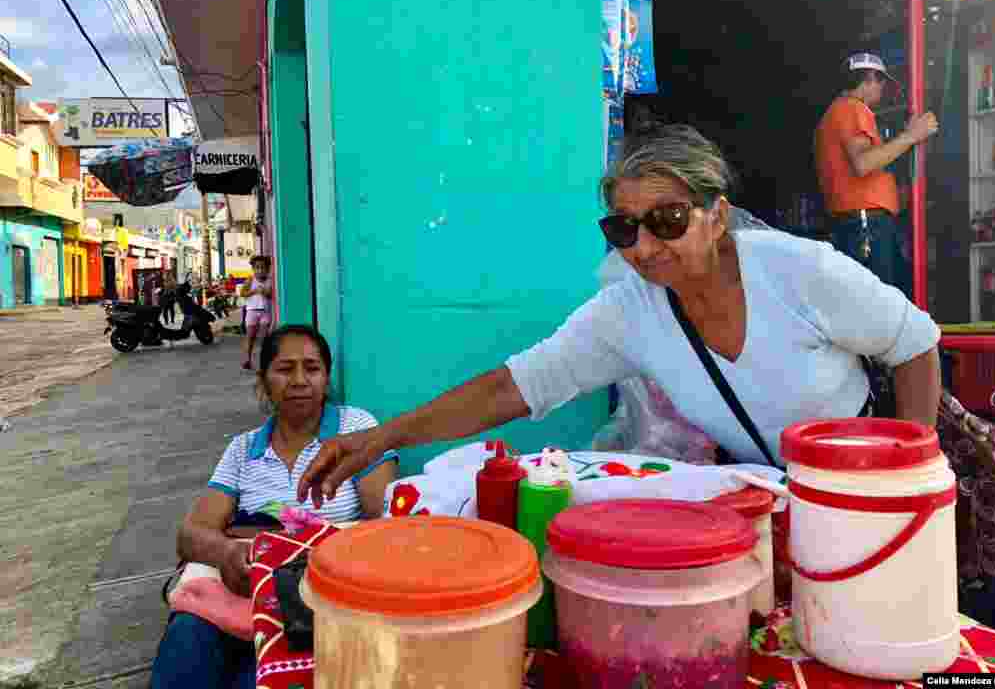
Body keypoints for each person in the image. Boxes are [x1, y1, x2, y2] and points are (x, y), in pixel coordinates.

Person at [297, 124, 942, 507]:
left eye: (666, 219)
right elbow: (516, 387)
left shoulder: (798, 271)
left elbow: (914, 344)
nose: (645, 245)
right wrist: (385, 438)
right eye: (624, 229)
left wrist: (907, 474)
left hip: (873, 479)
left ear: (716, 215)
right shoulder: (629, 313)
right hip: (777, 494)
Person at [150, 324, 398, 689]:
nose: (299, 380)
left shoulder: (355, 428)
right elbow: (191, 533)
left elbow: (386, 519)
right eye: (285, 369)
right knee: (187, 639)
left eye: (312, 368)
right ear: (264, 380)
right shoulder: (243, 449)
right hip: (246, 588)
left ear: (326, 378)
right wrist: (226, 553)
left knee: (254, 679)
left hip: (320, 594)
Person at [815, 51, 938, 288]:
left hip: (856, 224)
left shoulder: (834, 113)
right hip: (865, 225)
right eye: (882, 82)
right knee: (878, 309)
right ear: (870, 77)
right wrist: (912, 136)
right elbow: (863, 163)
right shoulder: (853, 108)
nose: (883, 90)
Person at [240, 256, 274, 371]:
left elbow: (271, 296)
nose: (260, 270)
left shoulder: (270, 280)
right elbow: (242, 293)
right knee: (250, 337)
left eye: (263, 268)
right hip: (252, 312)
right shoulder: (250, 280)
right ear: (253, 269)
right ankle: (247, 360)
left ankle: (263, 362)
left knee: (264, 338)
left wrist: (265, 292)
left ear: (268, 269)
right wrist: (254, 291)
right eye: (257, 268)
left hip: (265, 312)